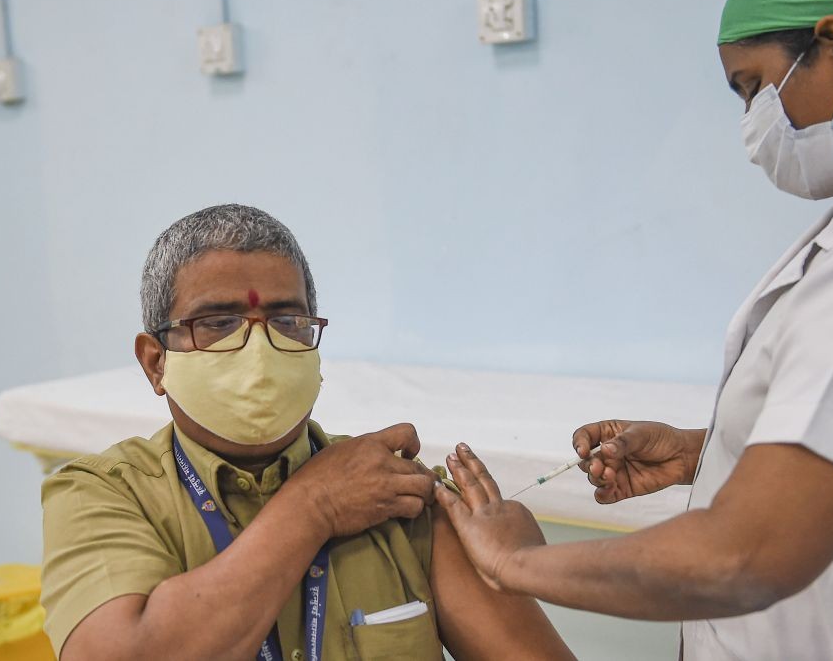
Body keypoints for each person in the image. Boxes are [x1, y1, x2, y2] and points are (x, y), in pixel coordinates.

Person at [434, 0, 833, 658]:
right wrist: (710, 454)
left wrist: (512, 563)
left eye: (753, 88)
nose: (752, 126)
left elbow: (742, 557)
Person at [40, 204, 572, 661]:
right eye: (218, 322)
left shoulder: (400, 494)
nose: (258, 349)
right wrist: (315, 505)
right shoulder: (102, 495)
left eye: (286, 321)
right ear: (156, 363)